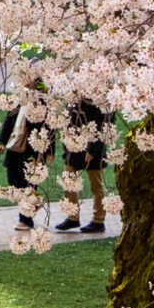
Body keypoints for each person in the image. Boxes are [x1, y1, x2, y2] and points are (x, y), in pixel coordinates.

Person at [0, 94, 56, 232]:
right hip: (15, 146)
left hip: (34, 148)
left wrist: (50, 151)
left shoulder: (43, 101)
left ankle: (25, 219)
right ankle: (32, 206)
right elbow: (8, 118)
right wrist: (2, 141)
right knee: (13, 181)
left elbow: (50, 127)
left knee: (29, 183)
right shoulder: (18, 98)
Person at [57, 100, 111, 233]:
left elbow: (101, 126)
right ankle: (72, 217)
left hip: (92, 148)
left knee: (96, 186)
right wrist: (67, 143)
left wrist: (92, 150)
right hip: (74, 146)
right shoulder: (75, 98)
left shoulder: (100, 100)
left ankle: (98, 220)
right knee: (68, 181)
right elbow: (69, 120)